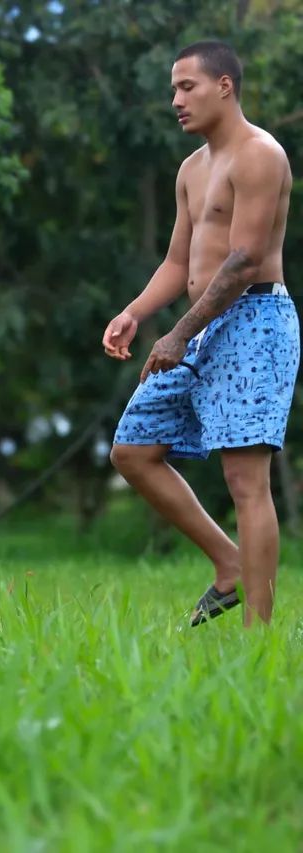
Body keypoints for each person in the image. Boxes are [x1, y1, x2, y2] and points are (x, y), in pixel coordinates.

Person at [102, 40, 298, 628]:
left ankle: (258, 637)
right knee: (133, 450)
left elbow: (243, 260)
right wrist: (136, 313)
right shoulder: (193, 168)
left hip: (255, 323)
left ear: (224, 86)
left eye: (186, 87)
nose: (175, 100)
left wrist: (177, 335)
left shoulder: (260, 154)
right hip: (200, 329)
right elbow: (176, 262)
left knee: (245, 478)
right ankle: (230, 566)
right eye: (172, 89)